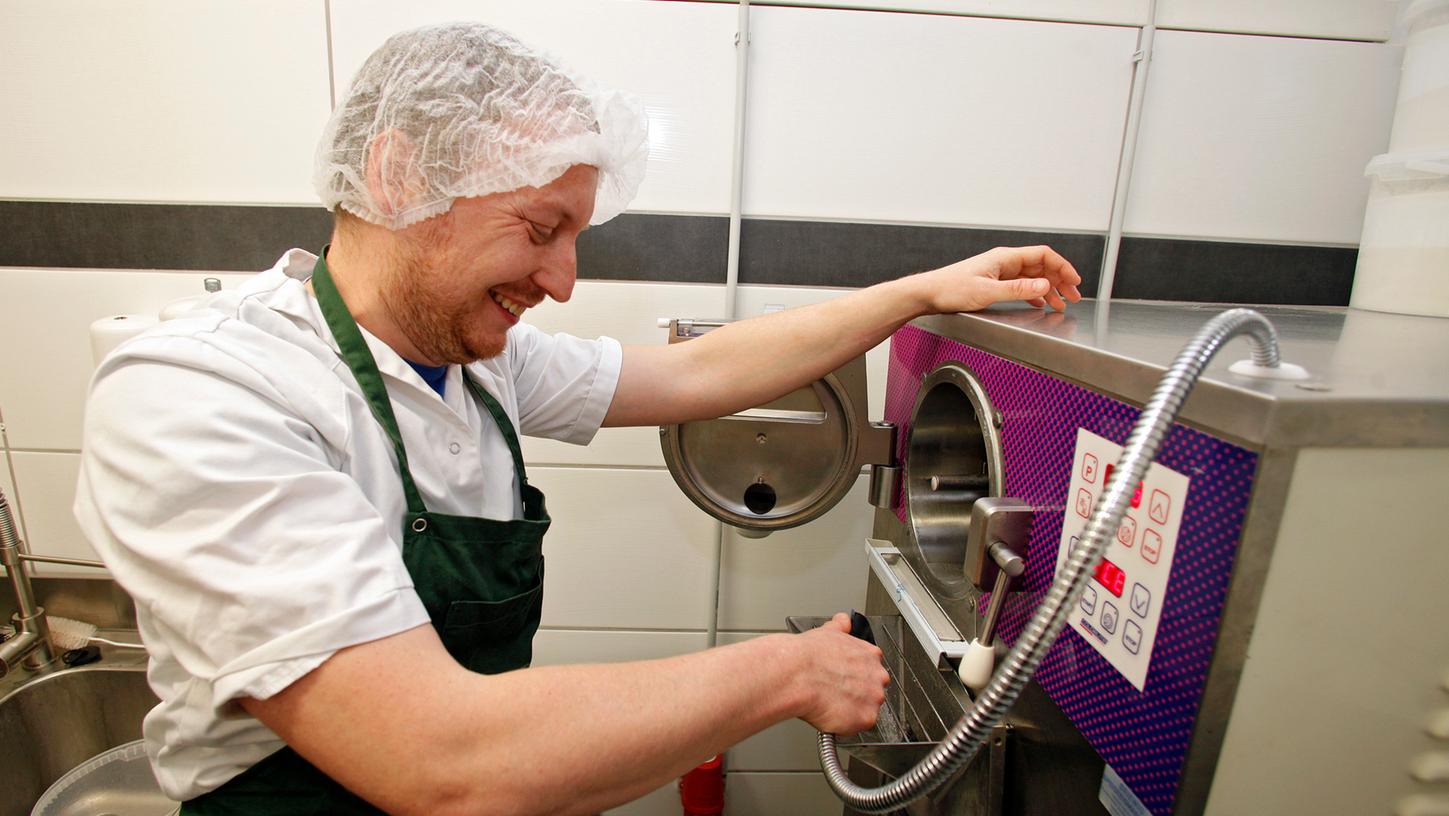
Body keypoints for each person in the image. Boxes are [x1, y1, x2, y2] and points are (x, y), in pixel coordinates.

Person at [74, 21, 1081, 816]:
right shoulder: (202, 392)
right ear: (395, 178)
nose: (561, 280)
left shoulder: (473, 366)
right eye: (541, 229)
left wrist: (917, 293)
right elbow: (439, 761)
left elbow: (700, 376)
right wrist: (787, 670)